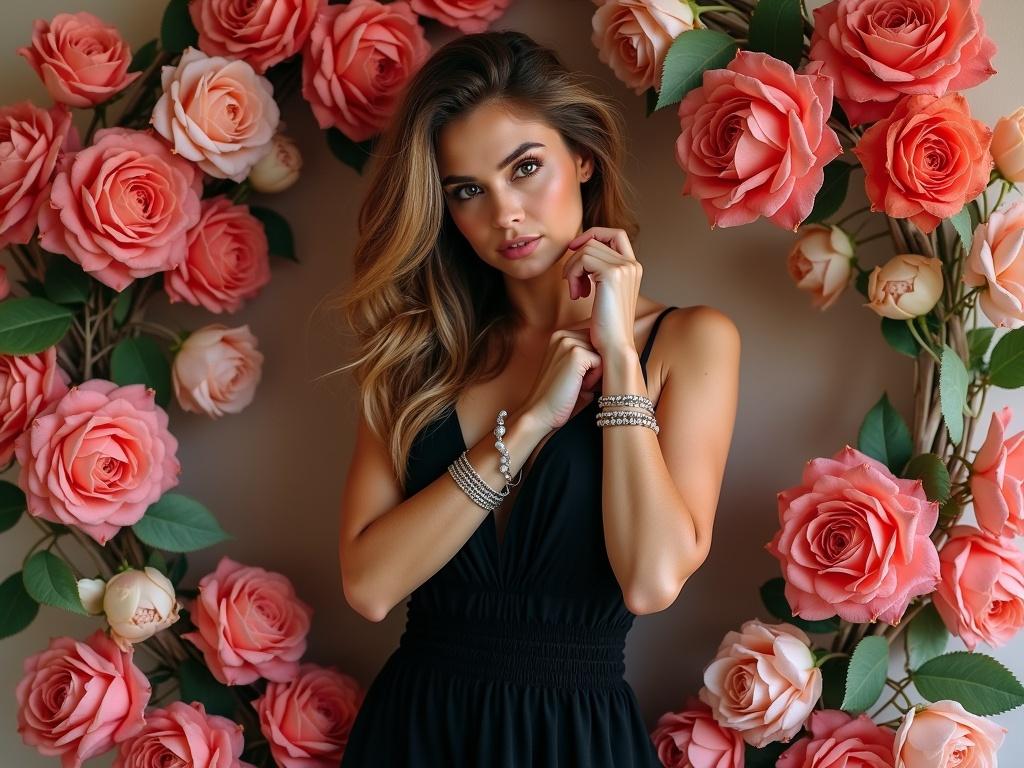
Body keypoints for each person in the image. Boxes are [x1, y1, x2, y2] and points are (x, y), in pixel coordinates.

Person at [330, 28, 740, 767]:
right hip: (415, 735)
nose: (505, 214)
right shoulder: (414, 355)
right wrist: (524, 432)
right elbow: (369, 586)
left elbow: (650, 581)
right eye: (467, 192)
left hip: (575, 741)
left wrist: (617, 355)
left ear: (582, 157)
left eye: (525, 168)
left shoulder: (691, 342)